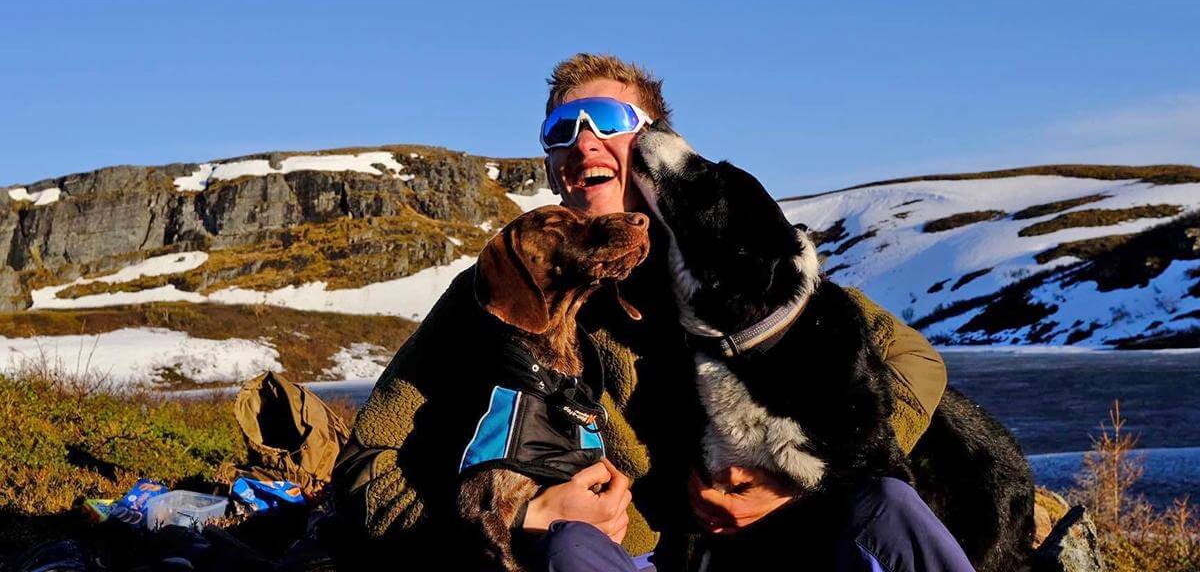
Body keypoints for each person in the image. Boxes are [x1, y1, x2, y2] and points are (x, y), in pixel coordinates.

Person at [332, 53, 973, 571]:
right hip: (624, 559)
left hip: (789, 536)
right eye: (562, 131)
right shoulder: (502, 291)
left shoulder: (730, 265)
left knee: (889, 506)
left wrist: (792, 476)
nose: (584, 145)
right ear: (554, 169)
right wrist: (521, 515)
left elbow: (911, 359)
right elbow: (366, 465)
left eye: (608, 121)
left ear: (651, 148)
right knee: (570, 552)